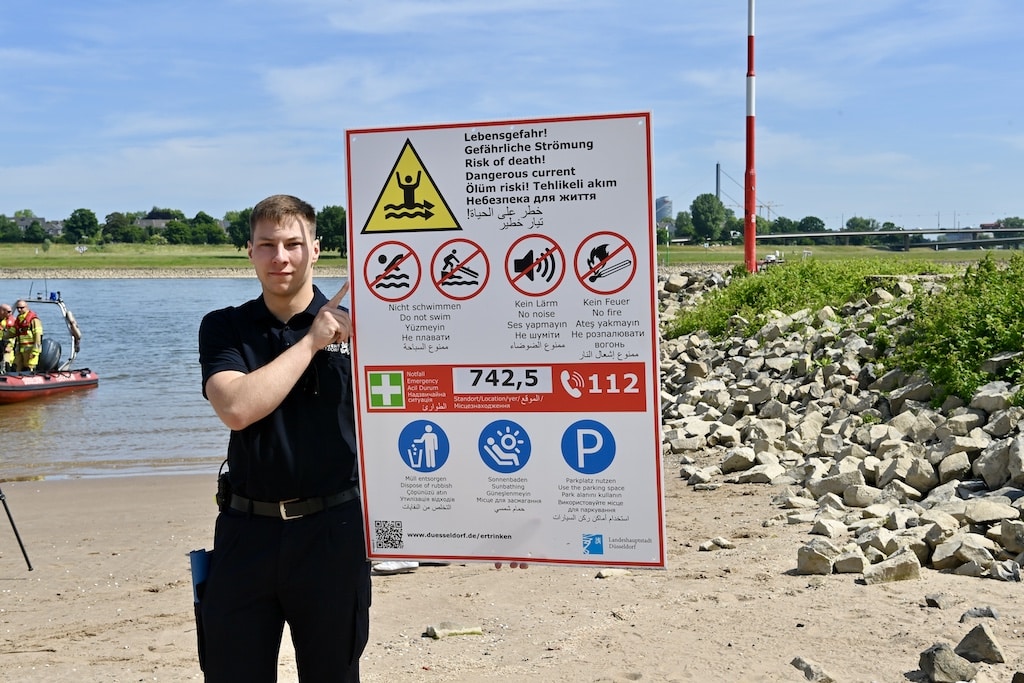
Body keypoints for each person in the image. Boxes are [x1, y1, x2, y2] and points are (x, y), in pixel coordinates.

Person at [197, 194, 367, 682]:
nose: (281, 257)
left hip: (334, 531)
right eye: (267, 245)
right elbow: (236, 408)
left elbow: (433, 412)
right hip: (245, 531)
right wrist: (313, 341)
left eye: (293, 243)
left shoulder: (362, 329)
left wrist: (496, 527)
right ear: (250, 251)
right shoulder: (225, 327)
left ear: (316, 249)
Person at [12, 300, 43, 372]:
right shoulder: (18, 319)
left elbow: (38, 337)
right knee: (16, 367)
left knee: (30, 368)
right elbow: (12, 332)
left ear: (27, 307)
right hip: (20, 350)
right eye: (18, 308)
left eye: (21, 308)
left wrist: (35, 352)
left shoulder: (34, 320)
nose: (19, 310)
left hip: (31, 350)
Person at [0, 303, 14, 372]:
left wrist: (8, 346)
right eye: (8, 312)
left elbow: (12, 336)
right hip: (1, 345)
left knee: (7, 363)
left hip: (7, 347)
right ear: (2, 311)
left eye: (11, 311)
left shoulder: (11, 321)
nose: (10, 313)